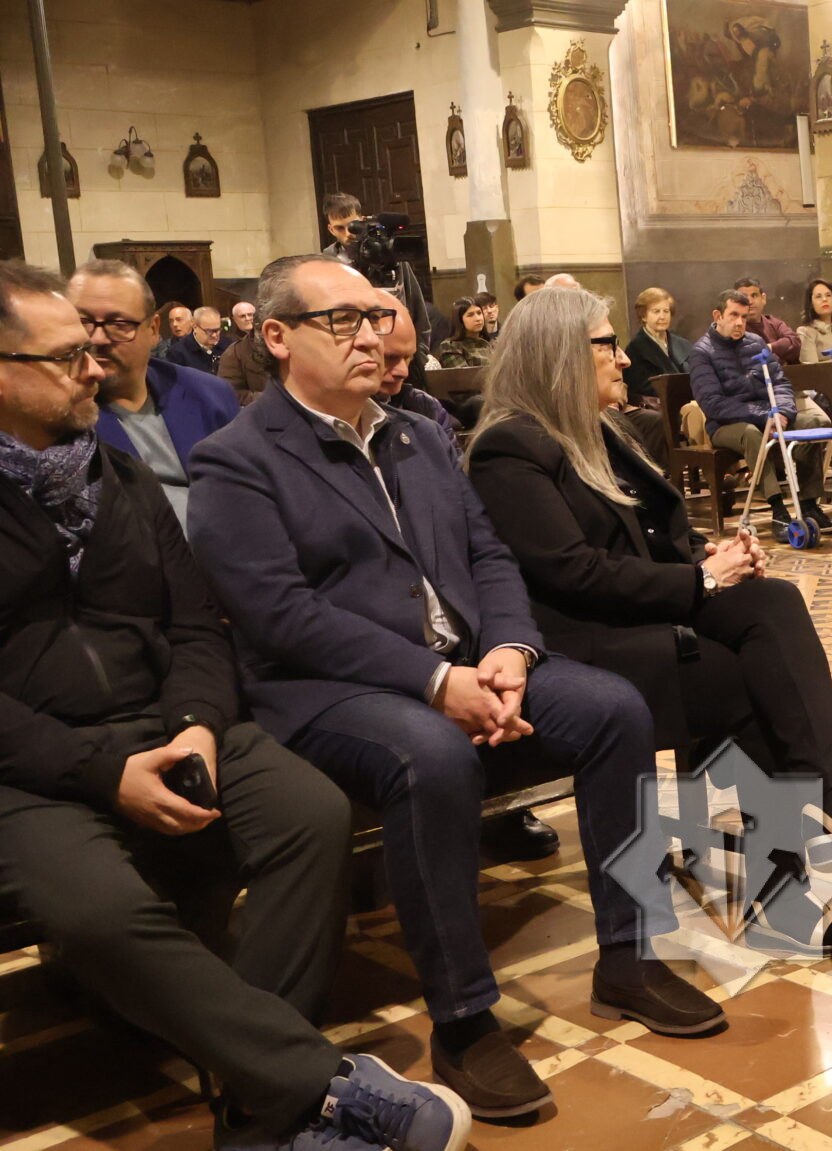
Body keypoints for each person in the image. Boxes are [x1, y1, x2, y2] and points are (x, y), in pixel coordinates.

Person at [189, 254, 728, 1122]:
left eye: (375, 317)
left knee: (613, 709)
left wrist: (511, 647)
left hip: (467, 664)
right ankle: (465, 1019)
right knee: (433, 756)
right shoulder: (237, 459)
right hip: (331, 691)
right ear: (277, 337)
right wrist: (436, 679)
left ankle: (629, 958)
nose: (371, 337)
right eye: (343, 321)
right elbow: (281, 615)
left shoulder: (416, 435)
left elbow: (488, 554)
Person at [0, 259, 471, 1151]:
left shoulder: (119, 476)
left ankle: (257, 1115)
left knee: (310, 815)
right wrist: (103, 770)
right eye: (66, 357)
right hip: (32, 766)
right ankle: (312, 1082)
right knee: (98, 911)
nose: (96, 367)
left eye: (94, 348)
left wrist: (197, 725)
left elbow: (195, 623)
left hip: (165, 720)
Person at [465, 289, 832, 957]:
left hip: (637, 612)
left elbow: (653, 535)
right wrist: (702, 579)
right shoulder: (509, 448)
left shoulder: (602, 429)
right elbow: (572, 572)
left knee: (772, 602)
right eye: (607, 344)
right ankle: (786, 887)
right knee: (742, 676)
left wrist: (709, 556)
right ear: (559, 355)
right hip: (578, 642)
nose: (623, 358)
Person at [71, 261, 238, 530]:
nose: (97, 338)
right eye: (83, 322)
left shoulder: (210, 395)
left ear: (153, 330)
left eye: (118, 323)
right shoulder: (57, 414)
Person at [691, 288, 832, 535]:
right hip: (725, 425)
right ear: (717, 316)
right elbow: (713, 404)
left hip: (769, 414)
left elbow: (781, 383)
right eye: (733, 315)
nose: (740, 322)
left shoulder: (756, 343)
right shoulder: (702, 352)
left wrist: (783, 412)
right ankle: (778, 510)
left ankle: (809, 504)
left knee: (812, 422)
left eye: (744, 317)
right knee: (751, 433)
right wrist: (764, 415)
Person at [319, 192, 435, 348]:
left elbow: (415, 304)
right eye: (340, 228)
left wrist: (421, 350)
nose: (348, 233)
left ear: (362, 220)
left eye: (352, 226)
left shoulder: (388, 254)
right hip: (354, 344)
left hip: (398, 341)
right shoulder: (326, 263)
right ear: (331, 229)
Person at [375, 289, 461, 447]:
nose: (403, 372)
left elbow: (454, 462)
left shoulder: (427, 408)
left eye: (408, 358)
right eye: (389, 358)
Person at [623, 286, 688, 401]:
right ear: (643, 316)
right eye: (656, 311)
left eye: (666, 311)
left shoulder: (683, 344)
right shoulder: (635, 349)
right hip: (656, 406)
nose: (662, 316)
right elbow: (640, 388)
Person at [735, 276, 799, 365]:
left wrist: (768, 348)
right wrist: (780, 351)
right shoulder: (734, 328)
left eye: (754, 295)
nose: (750, 301)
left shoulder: (774, 323)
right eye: (744, 297)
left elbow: (795, 342)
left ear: (763, 298)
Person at [160, 305, 228, 375]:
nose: (214, 335)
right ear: (195, 327)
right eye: (209, 331)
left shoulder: (228, 345)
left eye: (217, 330)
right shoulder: (177, 352)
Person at [432, 296, 493, 368]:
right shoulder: (450, 346)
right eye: (470, 315)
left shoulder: (486, 344)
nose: (478, 318)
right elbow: (463, 374)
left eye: (479, 313)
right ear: (460, 320)